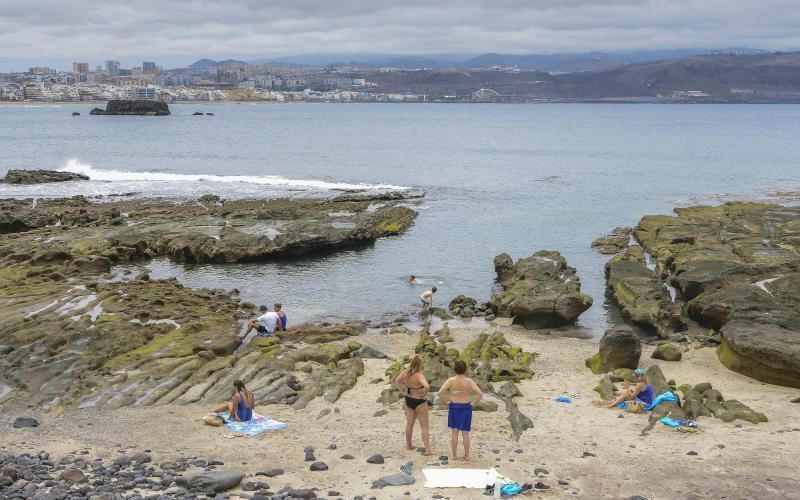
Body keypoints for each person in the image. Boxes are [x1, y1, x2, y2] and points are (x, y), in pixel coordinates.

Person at [438, 359, 483, 460]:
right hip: (466, 407)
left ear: (454, 369)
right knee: (465, 432)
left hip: (454, 406)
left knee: (454, 431)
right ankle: (466, 455)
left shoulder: (451, 380)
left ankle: (454, 455)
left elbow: (440, 393)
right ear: (465, 369)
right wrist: (474, 403)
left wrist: (446, 402)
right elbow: (480, 394)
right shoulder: (469, 381)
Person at [394, 355, 433, 455]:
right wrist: (425, 393)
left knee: (409, 423)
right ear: (421, 364)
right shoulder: (419, 375)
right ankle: (428, 450)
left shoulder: (406, 372)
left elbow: (397, 381)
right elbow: (427, 386)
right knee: (424, 426)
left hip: (409, 399)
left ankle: (409, 445)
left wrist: (402, 391)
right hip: (419, 401)